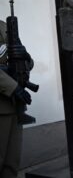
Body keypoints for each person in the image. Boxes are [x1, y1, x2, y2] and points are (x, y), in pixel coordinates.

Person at [0, 20, 32, 178]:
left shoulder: (6, 27)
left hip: (15, 106)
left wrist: (25, 56)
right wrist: (13, 87)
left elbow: (25, 62)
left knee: (12, 162)